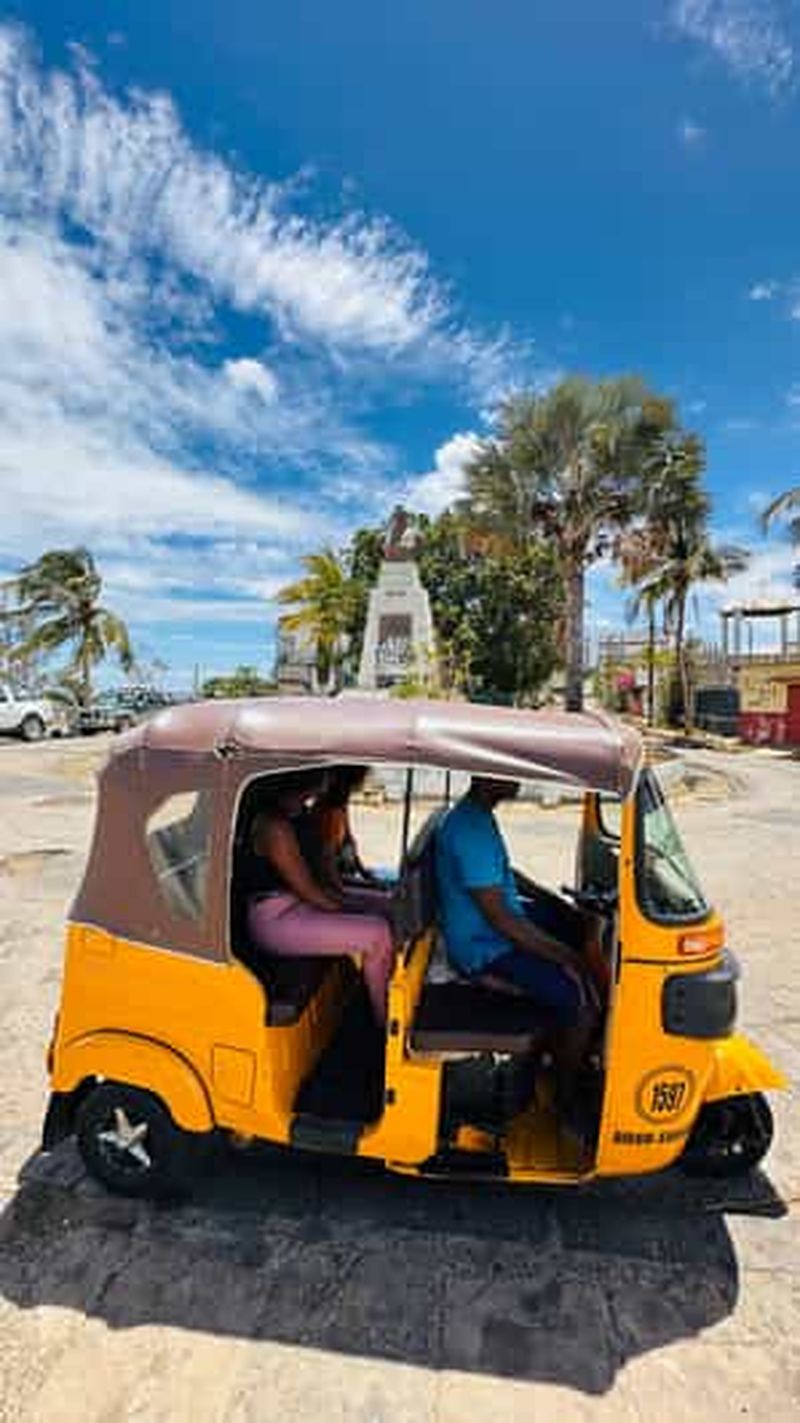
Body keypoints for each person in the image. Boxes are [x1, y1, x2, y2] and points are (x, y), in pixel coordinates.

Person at [435, 775, 598, 1116]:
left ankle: (566, 1047)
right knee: (581, 999)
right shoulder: (469, 831)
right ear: (483, 776)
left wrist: (555, 903)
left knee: (576, 928)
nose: (517, 777)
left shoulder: (478, 815)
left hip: (499, 927)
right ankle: (563, 1095)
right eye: (506, 771)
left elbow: (507, 875)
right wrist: (569, 960)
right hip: (484, 948)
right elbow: (502, 921)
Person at [243, 771, 394, 1025]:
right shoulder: (274, 826)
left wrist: (356, 903)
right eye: (321, 778)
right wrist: (348, 909)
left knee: (387, 908)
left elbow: (320, 880)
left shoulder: (298, 815)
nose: (326, 784)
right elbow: (308, 890)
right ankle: (385, 1023)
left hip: (295, 905)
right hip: (274, 919)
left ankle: (381, 988)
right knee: (378, 933)